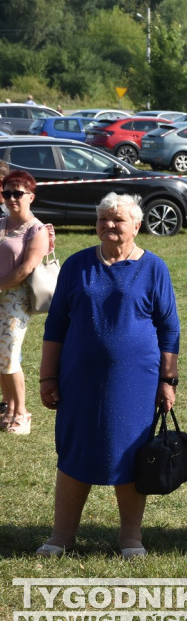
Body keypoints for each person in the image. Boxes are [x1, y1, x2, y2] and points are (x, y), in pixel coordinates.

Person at [37, 193, 180, 558]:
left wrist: (168, 380)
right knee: (75, 450)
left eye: (118, 219)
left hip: (136, 381)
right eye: (103, 218)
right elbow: (56, 325)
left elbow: (169, 329)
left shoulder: (154, 268)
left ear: (137, 225)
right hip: (78, 378)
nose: (109, 225)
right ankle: (61, 536)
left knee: (133, 453)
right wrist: (47, 377)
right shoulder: (77, 264)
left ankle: (130, 538)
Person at [0, 171, 51, 434]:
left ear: (30, 196)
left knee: (9, 355)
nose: (11, 198)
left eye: (17, 193)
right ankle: (7, 408)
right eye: (7, 192)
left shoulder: (36, 229)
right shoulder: (0, 222)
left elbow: (27, 268)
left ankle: (21, 413)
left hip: (15, 299)